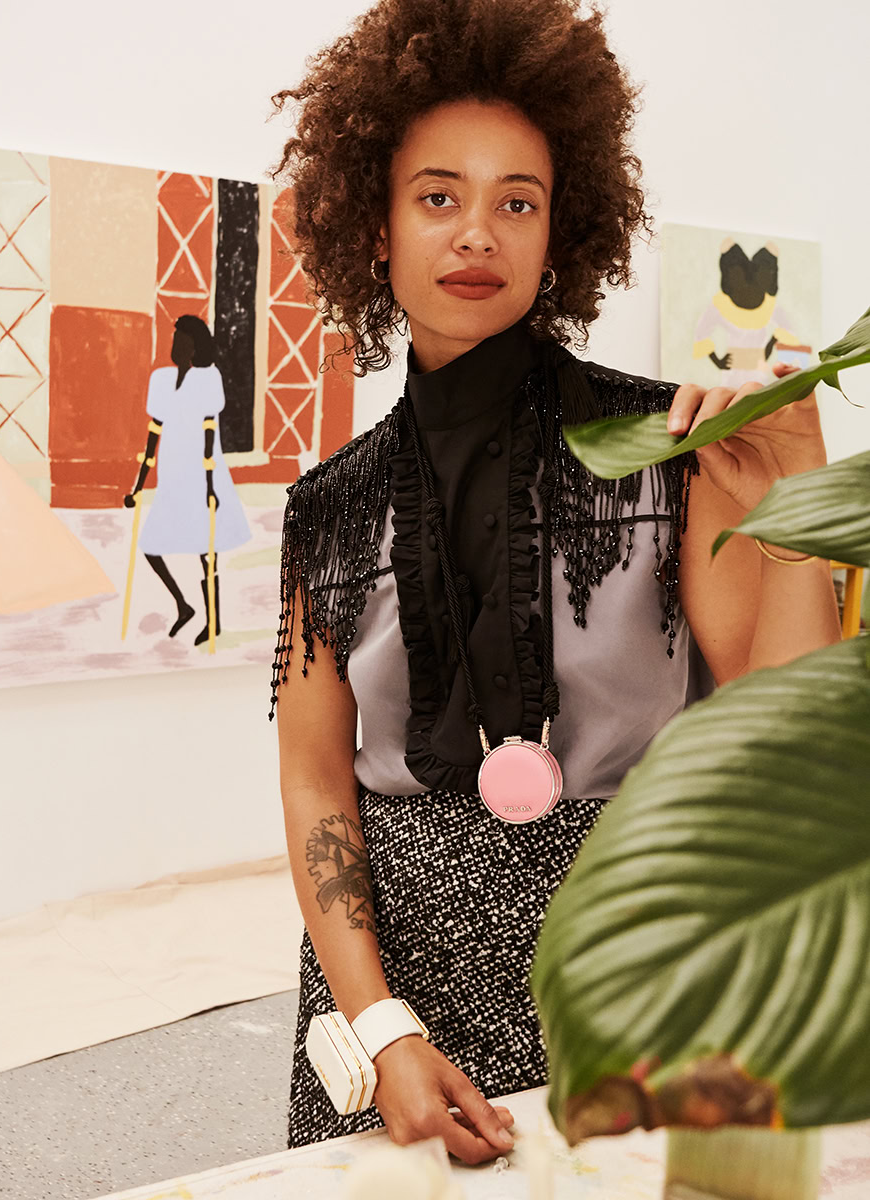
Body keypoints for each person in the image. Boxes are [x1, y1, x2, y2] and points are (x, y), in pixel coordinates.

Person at [266, 0, 841, 1165]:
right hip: (402, 997)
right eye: (439, 196)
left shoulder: (668, 451)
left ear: (557, 232)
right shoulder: (328, 509)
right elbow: (320, 780)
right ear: (374, 227)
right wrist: (382, 1029)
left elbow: (786, 738)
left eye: (515, 202)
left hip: (637, 973)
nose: (477, 233)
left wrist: (799, 504)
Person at [124, 315, 251, 644]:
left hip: (201, 476)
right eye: (174, 340)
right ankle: (183, 605)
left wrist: (210, 486)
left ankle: (214, 622)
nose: (175, 346)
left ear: (195, 346)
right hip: (172, 477)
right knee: (151, 547)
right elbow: (154, 434)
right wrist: (138, 485)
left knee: (206, 553)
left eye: (182, 341)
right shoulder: (162, 380)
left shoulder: (209, 379)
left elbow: (210, 433)